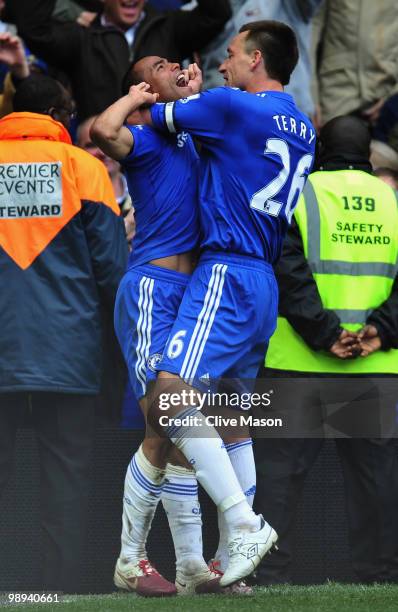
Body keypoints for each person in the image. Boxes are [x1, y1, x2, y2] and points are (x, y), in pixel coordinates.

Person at [125, 20, 316, 587]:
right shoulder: (304, 125)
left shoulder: (233, 106)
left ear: (256, 60)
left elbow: (158, 113)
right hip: (264, 281)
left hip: (225, 272)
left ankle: (242, 522)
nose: (222, 64)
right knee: (233, 420)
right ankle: (236, 556)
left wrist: (183, 92)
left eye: (230, 55)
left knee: (166, 398)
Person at [91, 57, 225, 596]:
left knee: (177, 434)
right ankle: (130, 559)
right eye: (158, 67)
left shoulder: (191, 137)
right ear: (143, 89)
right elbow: (103, 130)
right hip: (152, 288)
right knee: (165, 421)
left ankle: (190, 564)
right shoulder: (143, 139)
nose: (174, 66)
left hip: (191, 295)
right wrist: (137, 95)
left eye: (174, 63)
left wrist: (189, 97)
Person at [255, 115, 398, 585]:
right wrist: (379, 330)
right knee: (375, 481)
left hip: (300, 365)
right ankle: (378, 575)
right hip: (375, 366)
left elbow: (287, 270)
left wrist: (324, 333)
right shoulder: (391, 201)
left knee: (279, 477)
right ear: (370, 158)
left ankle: (269, 572)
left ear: (320, 150)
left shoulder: (300, 193)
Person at [0, 73, 128, 593]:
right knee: (66, 482)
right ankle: (59, 593)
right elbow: (113, 274)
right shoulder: (84, 169)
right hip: (69, 353)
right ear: (60, 113)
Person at [7, 0, 231, 119]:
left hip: (167, 148)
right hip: (103, 154)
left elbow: (217, 14)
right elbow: (35, 31)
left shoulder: (170, 26)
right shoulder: (81, 38)